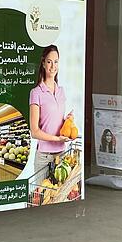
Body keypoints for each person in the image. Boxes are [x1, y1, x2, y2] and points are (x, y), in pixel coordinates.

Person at [29, 45, 74, 174]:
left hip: (62, 155)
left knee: (61, 194)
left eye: (56, 62)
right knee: (42, 194)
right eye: (49, 62)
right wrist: (57, 139)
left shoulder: (61, 91)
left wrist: (69, 121)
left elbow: (57, 121)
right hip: (44, 157)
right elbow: (35, 132)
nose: (53, 66)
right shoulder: (36, 93)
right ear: (43, 63)